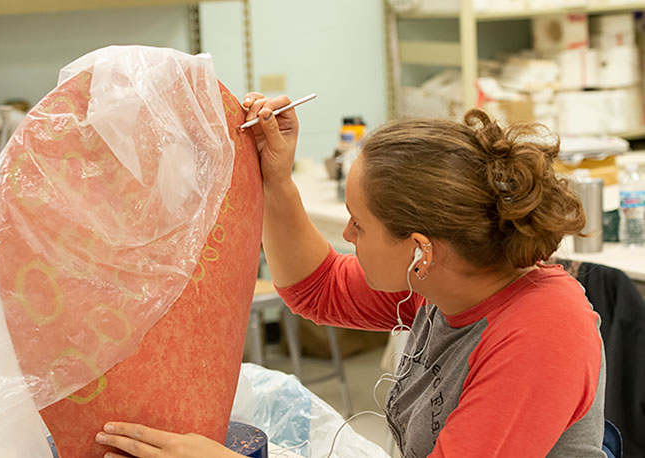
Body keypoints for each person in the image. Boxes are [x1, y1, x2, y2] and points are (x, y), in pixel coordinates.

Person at [93, 94, 607, 458]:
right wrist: (275, 179)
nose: (347, 233)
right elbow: (316, 289)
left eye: (359, 224)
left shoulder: (543, 331)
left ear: (420, 250)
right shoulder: (451, 278)